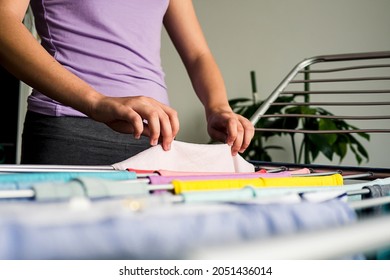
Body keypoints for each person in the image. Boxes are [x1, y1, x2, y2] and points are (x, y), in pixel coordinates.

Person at [0, 0, 254, 165]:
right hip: (71, 129)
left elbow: (199, 54)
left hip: (154, 137)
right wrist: (96, 102)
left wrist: (218, 107)